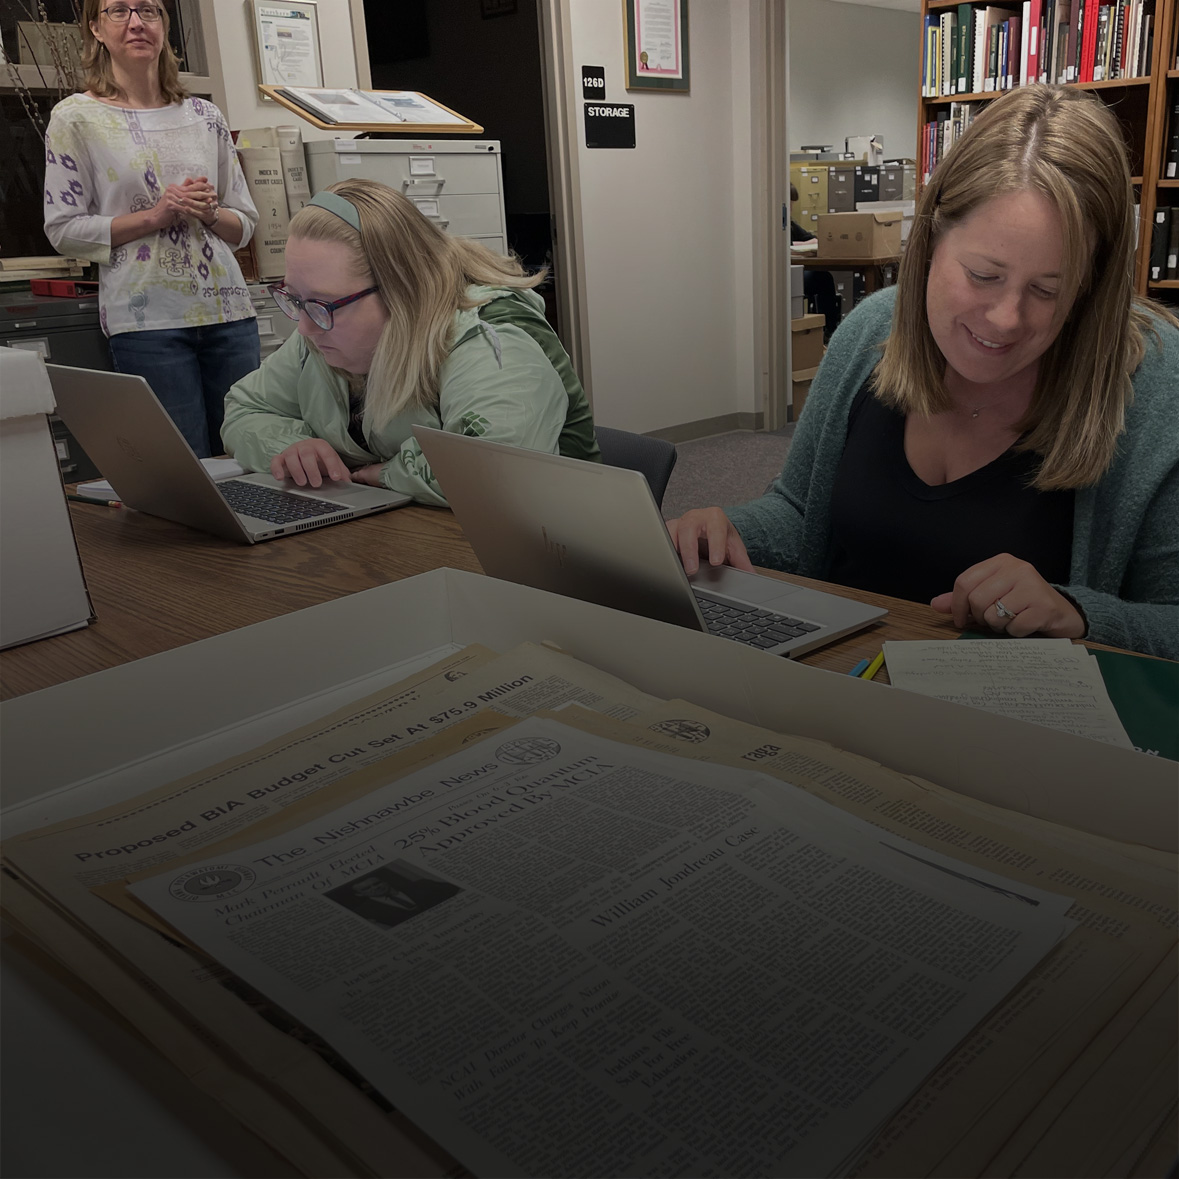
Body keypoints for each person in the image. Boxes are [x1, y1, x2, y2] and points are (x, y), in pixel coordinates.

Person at [669, 85, 1179, 660]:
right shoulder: (871, 332)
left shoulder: (1158, 384)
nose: (1006, 319)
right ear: (931, 241)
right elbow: (800, 513)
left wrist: (1081, 614)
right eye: (984, 275)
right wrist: (727, 533)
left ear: (1092, 287)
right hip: (841, 696)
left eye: (1046, 290)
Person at [221, 179, 600, 504]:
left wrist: (389, 475)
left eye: (321, 304)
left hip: (558, 551)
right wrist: (288, 446)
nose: (303, 328)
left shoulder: (491, 333)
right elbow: (243, 410)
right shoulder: (322, 326)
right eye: (294, 299)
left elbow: (499, 470)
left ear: (402, 291)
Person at [43, 0, 260, 458]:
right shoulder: (75, 117)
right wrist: (154, 217)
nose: (137, 22)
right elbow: (63, 229)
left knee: (252, 456)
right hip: (148, 322)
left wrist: (207, 212)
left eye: (150, 10)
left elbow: (243, 227)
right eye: (119, 10)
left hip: (230, 315)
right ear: (96, 29)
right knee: (183, 467)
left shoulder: (205, 117)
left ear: (164, 26)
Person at [790, 183, 839, 342]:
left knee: (823, 277)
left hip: (795, 271)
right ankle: (828, 331)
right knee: (821, 279)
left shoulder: (790, 224)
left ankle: (830, 331)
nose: (791, 208)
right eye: (789, 203)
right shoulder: (770, 224)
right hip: (784, 277)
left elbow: (811, 238)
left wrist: (803, 244)